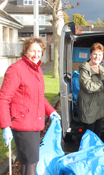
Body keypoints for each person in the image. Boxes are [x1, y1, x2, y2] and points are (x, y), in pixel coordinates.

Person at [0, 37, 61, 175]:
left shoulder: (36, 69)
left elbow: (39, 97)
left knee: (28, 162)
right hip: (22, 124)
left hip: (34, 122)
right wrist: (5, 126)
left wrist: (51, 112)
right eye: (32, 51)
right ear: (25, 51)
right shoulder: (16, 69)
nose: (36, 54)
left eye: (39, 51)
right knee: (31, 163)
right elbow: (3, 99)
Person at [77, 42, 104, 137]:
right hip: (89, 108)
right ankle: (88, 151)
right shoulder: (84, 69)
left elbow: (102, 85)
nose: (97, 56)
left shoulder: (101, 68)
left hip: (100, 108)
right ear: (90, 55)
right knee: (89, 136)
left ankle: (95, 151)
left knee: (97, 133)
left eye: (100, 54)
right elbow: (88, 87)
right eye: (95, 54)